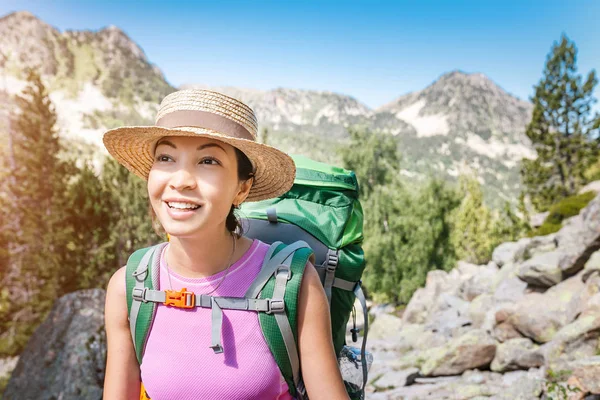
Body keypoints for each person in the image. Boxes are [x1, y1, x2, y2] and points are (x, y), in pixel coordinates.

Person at [102, 89, 349, 399]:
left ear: (242, 189)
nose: (181, 180)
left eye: (208, 161)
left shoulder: (293, 284)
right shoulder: (129, 288)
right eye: (165, 157)